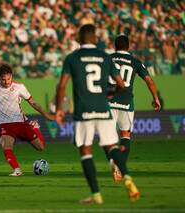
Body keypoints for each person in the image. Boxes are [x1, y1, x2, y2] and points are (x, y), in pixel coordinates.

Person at [56, 24, 140, 204]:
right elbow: (121, 84)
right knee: (112, 147)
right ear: (95, 38)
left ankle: (96, 195)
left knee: (86, 150)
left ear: (79, 39)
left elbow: (62, 85)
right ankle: (127, 178)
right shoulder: (104, 56)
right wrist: (110, 93)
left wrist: (59, 110)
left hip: (83, 111)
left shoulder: (72, 58)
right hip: (103, 108)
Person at [107, 35, 161, 182]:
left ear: (114, 46)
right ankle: (120, 166)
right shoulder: (135, 61)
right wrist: (155, 98)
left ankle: (113, 162)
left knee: (109, 137)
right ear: (129, 46)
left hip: (109, 101)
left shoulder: (107, 58)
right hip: (126, 103)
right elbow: (149, 81)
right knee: (125, 134)